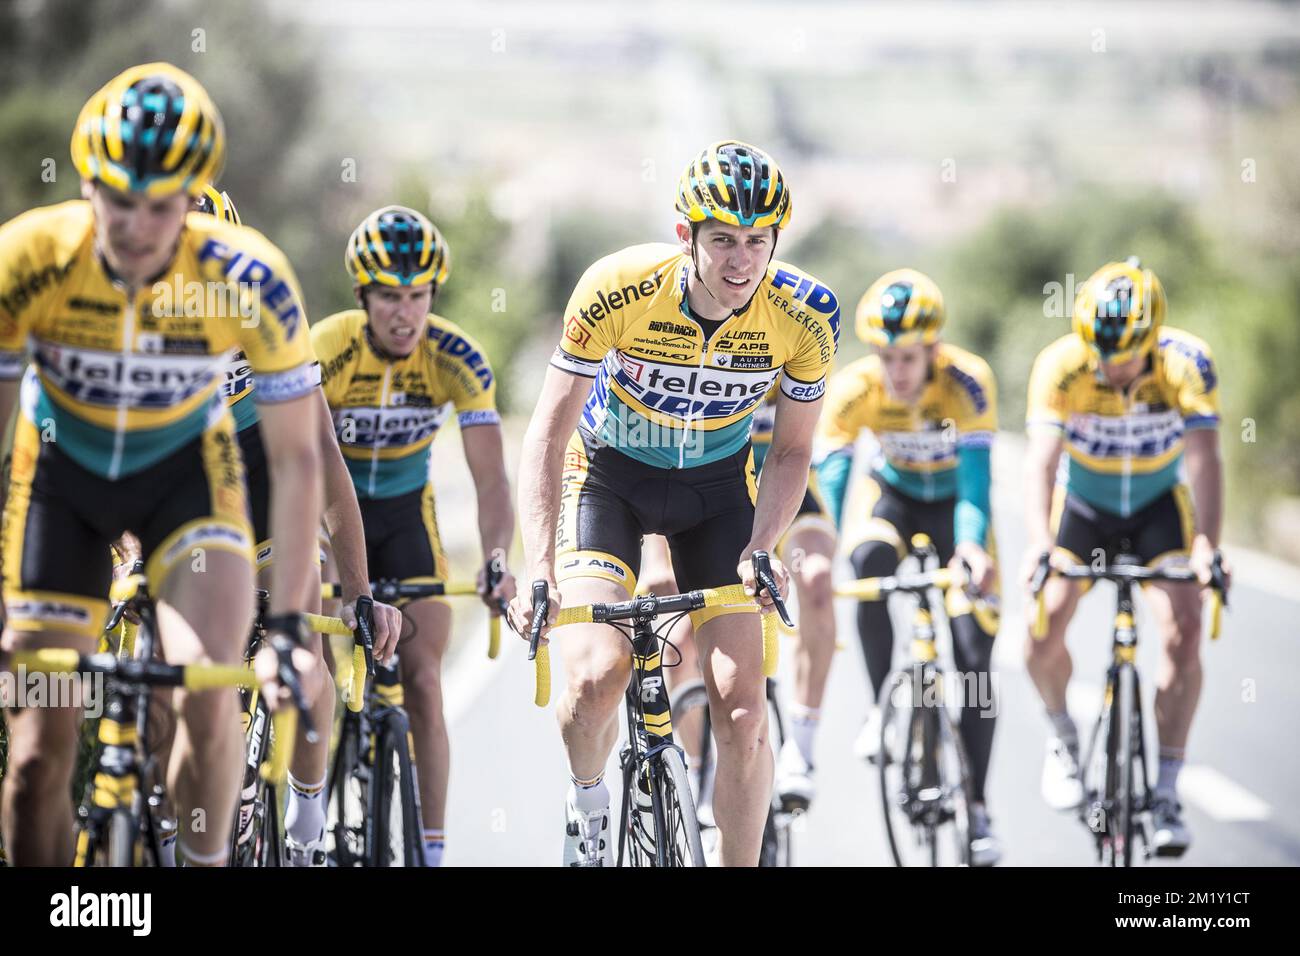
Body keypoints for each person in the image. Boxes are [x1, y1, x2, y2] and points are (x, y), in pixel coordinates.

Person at [0, 63, 321, 866]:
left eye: (162, 205)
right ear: (86, 186)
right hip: (61, 484)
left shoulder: (248, 278)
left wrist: (285, 626)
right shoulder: (28, 259)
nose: (138, 226)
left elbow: (296, 460)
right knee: (40, 749)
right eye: (118, 200)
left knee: (206, 688)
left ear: (195, 198)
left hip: (189, 479)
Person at [509, 140, 840, 866]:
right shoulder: (618, 287)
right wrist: (538, 565)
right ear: (686, 234)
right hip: (607, 481)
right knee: (597, 677)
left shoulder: (806, 315)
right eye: (722, 239)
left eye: (758, 242)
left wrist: (761, 547)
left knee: (744, 709)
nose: (741, 261)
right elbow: (547, 432)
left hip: (717, 493)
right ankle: (588, 798)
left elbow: (789, 452)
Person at [312, 205, 516, 867]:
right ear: (362, 297)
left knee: (424, 680)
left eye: (419, 296)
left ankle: (431, 849)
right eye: (391, 298)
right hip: (327, 522)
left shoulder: (455, 355)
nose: (406, 314)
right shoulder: (328, 346)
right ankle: (300, 815)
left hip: (407, 522)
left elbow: (490, 478)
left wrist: (493, 559)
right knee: (308, 667)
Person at [1022, 256, 1230, 856]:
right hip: (1085, 507)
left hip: (1157, 508)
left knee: (1184, 629)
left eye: (1126, 355)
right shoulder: (1062, 365)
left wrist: (1207, 544)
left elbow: (1205, 459)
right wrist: (1040, 542)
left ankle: (1166, 789)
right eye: (1100, 354)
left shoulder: (1186, 362)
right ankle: (1063, 738)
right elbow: (1039, 462)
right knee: (1041, 627)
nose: (1111, 368)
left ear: (1154, 337)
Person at [815, 268, 1002, 865]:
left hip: (955, 509)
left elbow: (977, 484)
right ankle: (878, 709)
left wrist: (972, 549)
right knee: (866, 561)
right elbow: (835, 481)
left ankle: (976, 809)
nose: (896, 371)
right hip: (893, 499)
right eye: (886, 356)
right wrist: (823, 548)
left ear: (934, 349)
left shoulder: (968, 382)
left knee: (974, 658)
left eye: (909, 358)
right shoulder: (855, 389)